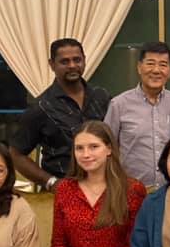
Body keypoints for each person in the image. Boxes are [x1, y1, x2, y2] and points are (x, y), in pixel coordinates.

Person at [11, 38, 111, 191]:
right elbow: (16, 155)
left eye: (76, 60)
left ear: (84, 60)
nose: (72, 66)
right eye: (64, 62)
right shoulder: (40, 107)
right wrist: (52, 183)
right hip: (63, 193)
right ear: (52, 65)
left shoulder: (102, 97)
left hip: (105, 188)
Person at [104, 41, 170, 188]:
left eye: (163, 65)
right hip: (131, 191)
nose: (156, 70)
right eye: (150, 63)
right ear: (139, 67)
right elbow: (106, 149)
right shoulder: (119, 104)